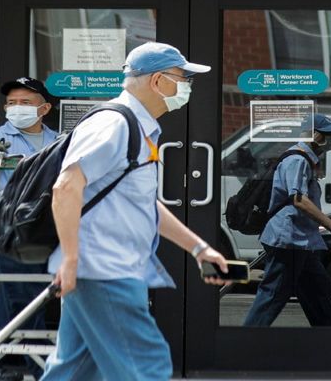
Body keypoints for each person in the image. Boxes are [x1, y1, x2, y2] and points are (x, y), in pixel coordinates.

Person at [42, 42, 228, 381]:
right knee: (147, 367)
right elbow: (66, 187)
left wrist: (198, 248)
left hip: (101, 269)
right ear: (158, 81)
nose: (187, 86)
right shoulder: (115, 125)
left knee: (75, 371)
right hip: (105, 270)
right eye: (183, 78)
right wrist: (71, 260)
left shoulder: (136, 128)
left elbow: (143, 204)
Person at [0, 76, 57, 380]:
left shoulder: (58, 140)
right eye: (11, 103)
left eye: (25, 103)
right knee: (24, 293)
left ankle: (2, 365)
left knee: (25, 292)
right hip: (8, 226)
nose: (16, 108)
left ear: (44, 109)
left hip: (46, 226)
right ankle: (29, 366)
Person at [243, 113, 331, 328]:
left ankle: (330, 340)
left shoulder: (306, 159)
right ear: (315, 135)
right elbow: (299, 200)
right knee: (272, 296)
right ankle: (246, 341)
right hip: (288, 240)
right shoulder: (297, 159)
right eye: (329, 134)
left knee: (318, 292)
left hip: (302, 241)